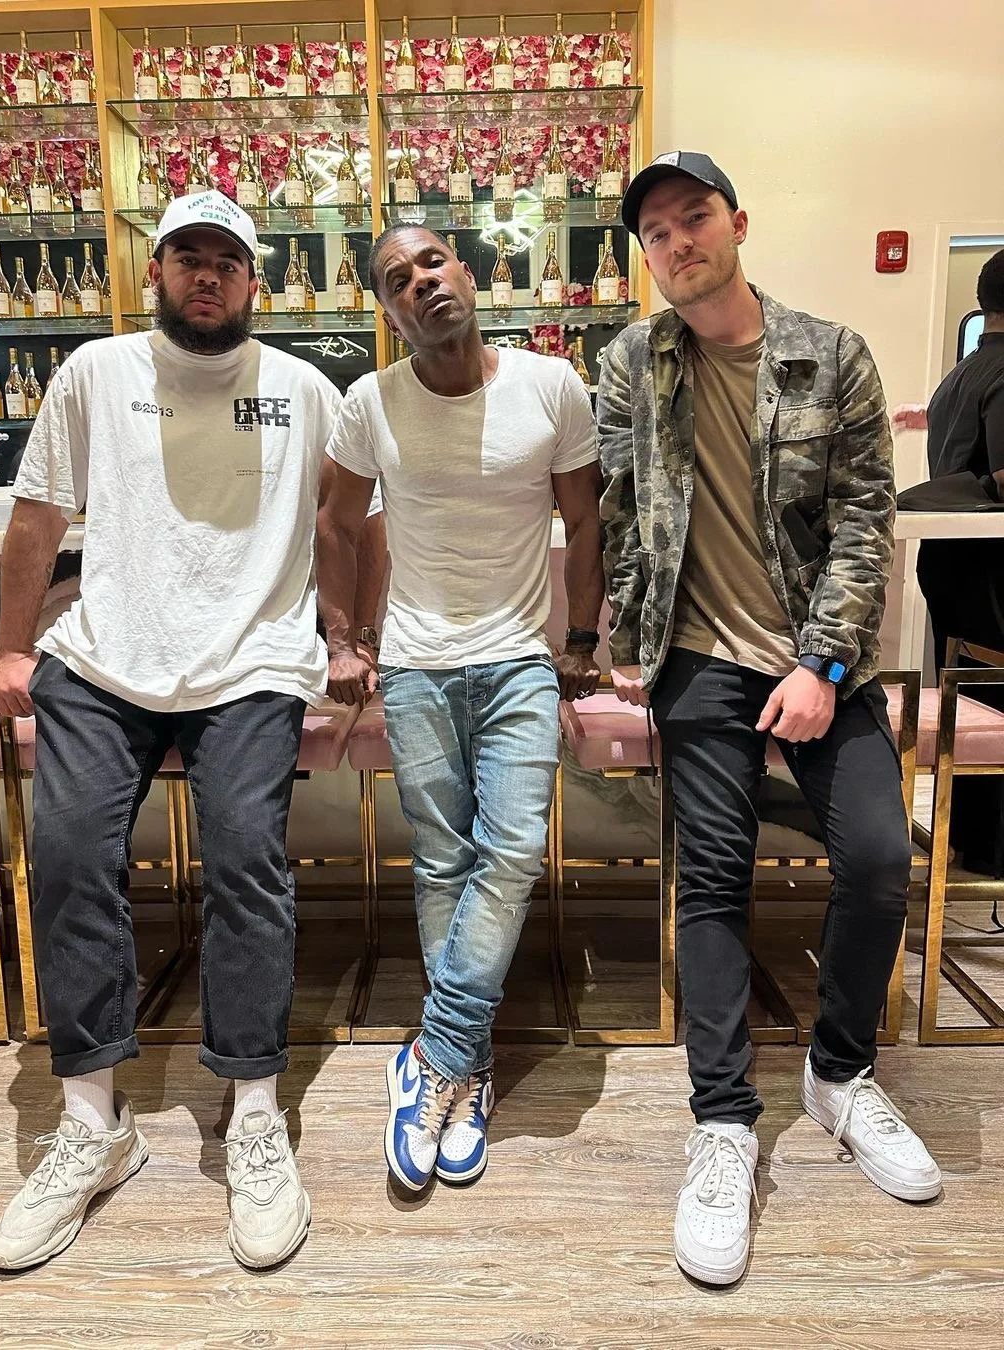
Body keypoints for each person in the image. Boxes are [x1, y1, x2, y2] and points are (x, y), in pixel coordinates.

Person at [0, 191, 385, 1272]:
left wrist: (348, 635)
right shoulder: (93, 374)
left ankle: (253, 1108)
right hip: (108, 653)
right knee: (69, 855)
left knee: (246, 860)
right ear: (154, 272)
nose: (207, 277)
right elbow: (36, 516)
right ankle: (91, 1122)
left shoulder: (305, 388)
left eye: (228, 262)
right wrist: (17, 647)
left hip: (251, 660)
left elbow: (349, 526)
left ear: (255, 281)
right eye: (187, 259)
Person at [598, 152, 941, 1286]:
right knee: (712, 878)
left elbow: (863, 523)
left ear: (737, 224)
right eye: (655, 233)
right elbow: (620, 507)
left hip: (819, 666)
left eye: (692, 219)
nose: (676, 244)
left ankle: (840, 1075)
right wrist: (626, 635)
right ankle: (724, 1122)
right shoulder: (631, 364)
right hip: (697, 665)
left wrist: (824, 663)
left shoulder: (830, 353)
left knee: (882, 862)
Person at [317, 225, 603, 1191]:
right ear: (388, 312)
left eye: (431, 263)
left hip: (520, 657)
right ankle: (469, 1067)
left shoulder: (551, 386)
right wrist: (346, 637)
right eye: (397, 281)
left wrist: (580, 643)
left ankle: (435, 1056)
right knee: (443, 860)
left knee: (512, 850)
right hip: (416, 664)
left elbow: (587, 518)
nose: (421, 285)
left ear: (468, 274)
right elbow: (335, 522)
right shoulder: (370, 403)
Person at [895, 248, 1004, 872]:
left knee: (970, 700)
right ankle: (991, 851)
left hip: (953, 564)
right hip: (992, 570)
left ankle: (972, 837)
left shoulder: (963, 374)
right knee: (992, 700)